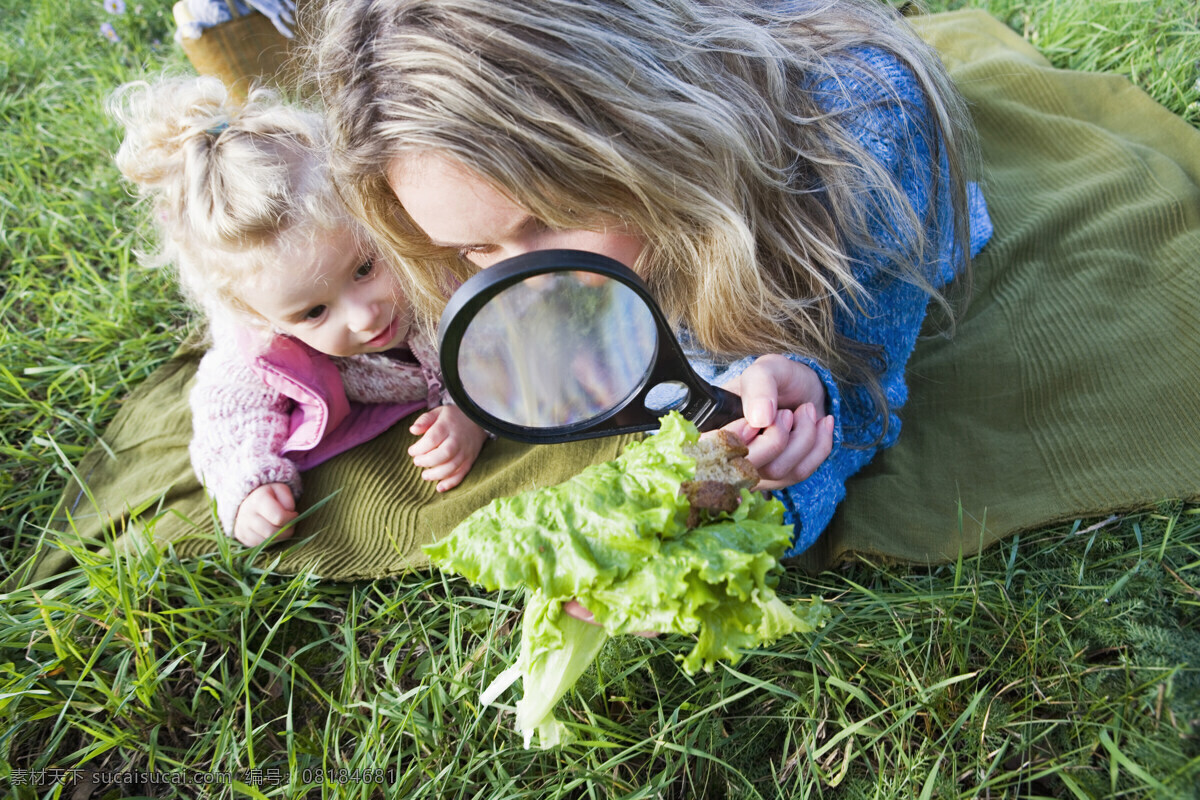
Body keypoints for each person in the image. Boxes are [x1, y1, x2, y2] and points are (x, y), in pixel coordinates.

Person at [311, 0, 993, 557]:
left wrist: (805, 399)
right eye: (472, 250)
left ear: (643, 134)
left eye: (558, 214)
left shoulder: (866, 124)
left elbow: (859, 375)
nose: (535, 282)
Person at [108, 76, 489, 547]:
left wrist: (473, 411)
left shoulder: (437, 265)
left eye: (364, 268)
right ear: (261, 317)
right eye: (313, 312)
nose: (363, 315)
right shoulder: (264, 343)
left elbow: (516, 331)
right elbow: (228, 413)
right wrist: (251, 485)